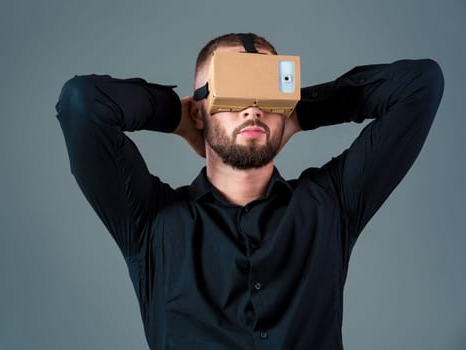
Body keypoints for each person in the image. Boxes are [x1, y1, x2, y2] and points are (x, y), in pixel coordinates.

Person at [55, 33, 444, 350]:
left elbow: (420, 84)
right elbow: (82, 103)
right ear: (199, 112)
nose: (252, 109)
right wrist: (177, 115)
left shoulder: (330, 204)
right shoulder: (151, 222)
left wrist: (302, 110)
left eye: (266, 91)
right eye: (234, 89)